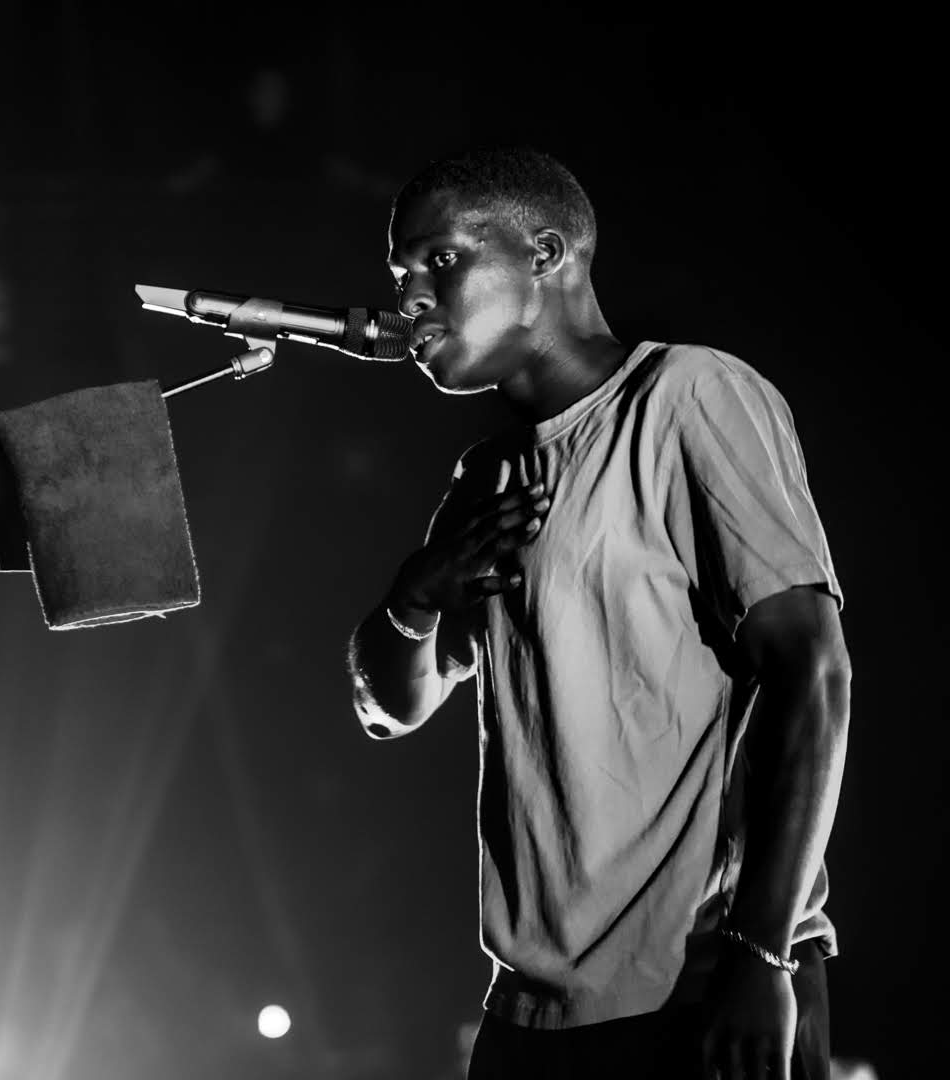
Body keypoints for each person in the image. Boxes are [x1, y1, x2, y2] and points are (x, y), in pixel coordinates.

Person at [347, 146, 850, 1080]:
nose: (410, 295)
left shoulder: (689, 395)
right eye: (399, 275)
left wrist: (762, 954)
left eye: (440, 262)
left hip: (702, 985)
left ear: (546, 253)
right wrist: (412, 600)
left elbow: (812, 672)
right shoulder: (483, 479)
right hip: (530, 1013)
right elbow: (389, 707)